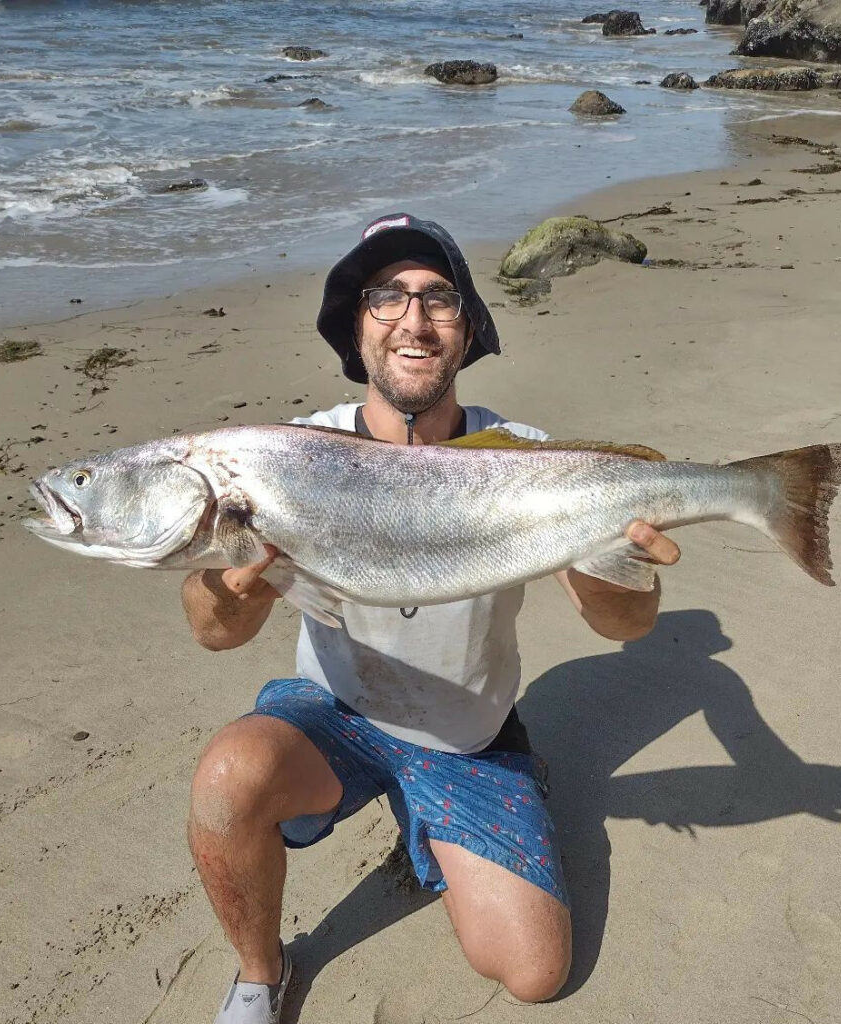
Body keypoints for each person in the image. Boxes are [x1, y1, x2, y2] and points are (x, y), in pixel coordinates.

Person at [181, 213, 681, 1023]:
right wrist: (227, 592)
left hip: (465, 739)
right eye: (386, 297)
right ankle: (260, 973)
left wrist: (615, 572)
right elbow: (212, 631)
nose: (413, 319)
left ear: (468, 329)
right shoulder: (286, 456)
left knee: (533, 972)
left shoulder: (522, 457)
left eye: (439, 299)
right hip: (332, 715)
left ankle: (446, 801)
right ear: (356, 327)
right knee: (227, 782)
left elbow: (622, 630)